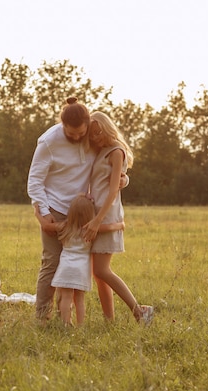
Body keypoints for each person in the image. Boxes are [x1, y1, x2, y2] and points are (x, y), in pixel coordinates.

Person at [27, 97, 96, 321]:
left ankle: (63, 318)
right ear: (62, 124)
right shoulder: (48, 141)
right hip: (54, 208)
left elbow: (111, 163)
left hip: (82, 210)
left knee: (78, 262)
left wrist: (122, 178)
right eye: (71, 133)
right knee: (52, 262)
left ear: (87, 125)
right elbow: (35, 180)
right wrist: (44, 215)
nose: (76, 138)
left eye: (80, 134)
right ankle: (42, 317)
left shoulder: (94, 137)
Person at [83, 111, 154, 325]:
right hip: (96, 212)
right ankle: (109, 321)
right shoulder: (100, 150)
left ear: (107, 128)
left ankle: (140, 311)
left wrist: (97, 220)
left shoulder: (116, 151)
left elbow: (114, 189)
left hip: (107, 213)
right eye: (92, 135)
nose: (95, 138)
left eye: (98, 133)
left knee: (102, 270)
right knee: (98, 274)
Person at [34, 194, 124, 326]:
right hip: (81, 269)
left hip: (65, 268)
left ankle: (65, 324)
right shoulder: (89, 230)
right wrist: (120, 225)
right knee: (79, 299)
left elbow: (46, 226)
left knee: (66, 297)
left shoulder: (64, 226)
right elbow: (109, 227)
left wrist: (37, 213)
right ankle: (80, 326)